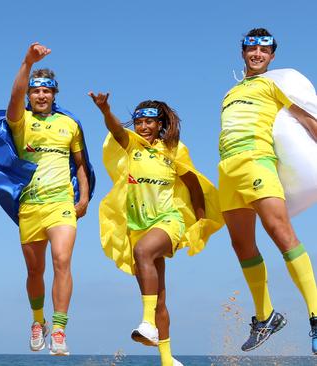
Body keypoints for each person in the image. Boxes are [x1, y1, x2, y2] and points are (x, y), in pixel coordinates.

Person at [91, 94, 223, 366]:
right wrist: (105, 109)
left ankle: (147, 323)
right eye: (139, 122)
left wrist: (200, 222)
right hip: (137, 224)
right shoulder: (132, 146)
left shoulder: (173, 150)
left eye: (149, 121)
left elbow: (194, 185)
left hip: (168, 220)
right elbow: (116, 129)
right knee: (158, 298)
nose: (143, 127)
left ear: (160, 123)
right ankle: (167, 359)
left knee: (143, 252)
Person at [219, 28, 317, 353]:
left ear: (272, 56)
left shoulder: (273, 85)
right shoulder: (230, 92)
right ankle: (266, 317)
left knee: (280, 232)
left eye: (264, 49)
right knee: (241, 244)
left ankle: (316, 317)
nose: (257, 53)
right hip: (228, 170)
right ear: (243, 52)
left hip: (258, 162)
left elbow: (306, 119)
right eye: (252, 48)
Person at [3, 42, 92, 356]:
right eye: (36, 91)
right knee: (35, 271)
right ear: (30, 95)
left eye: (47, 91)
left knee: (62, 261)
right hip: (30, 206)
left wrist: (84, 198)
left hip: (61, 204)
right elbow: (13, 97)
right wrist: (27, 62)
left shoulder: (70, 125)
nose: (41, 96)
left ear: (55, 94)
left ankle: (59, 329)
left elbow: (80, 163)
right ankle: (37, 321)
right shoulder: (20, 121)